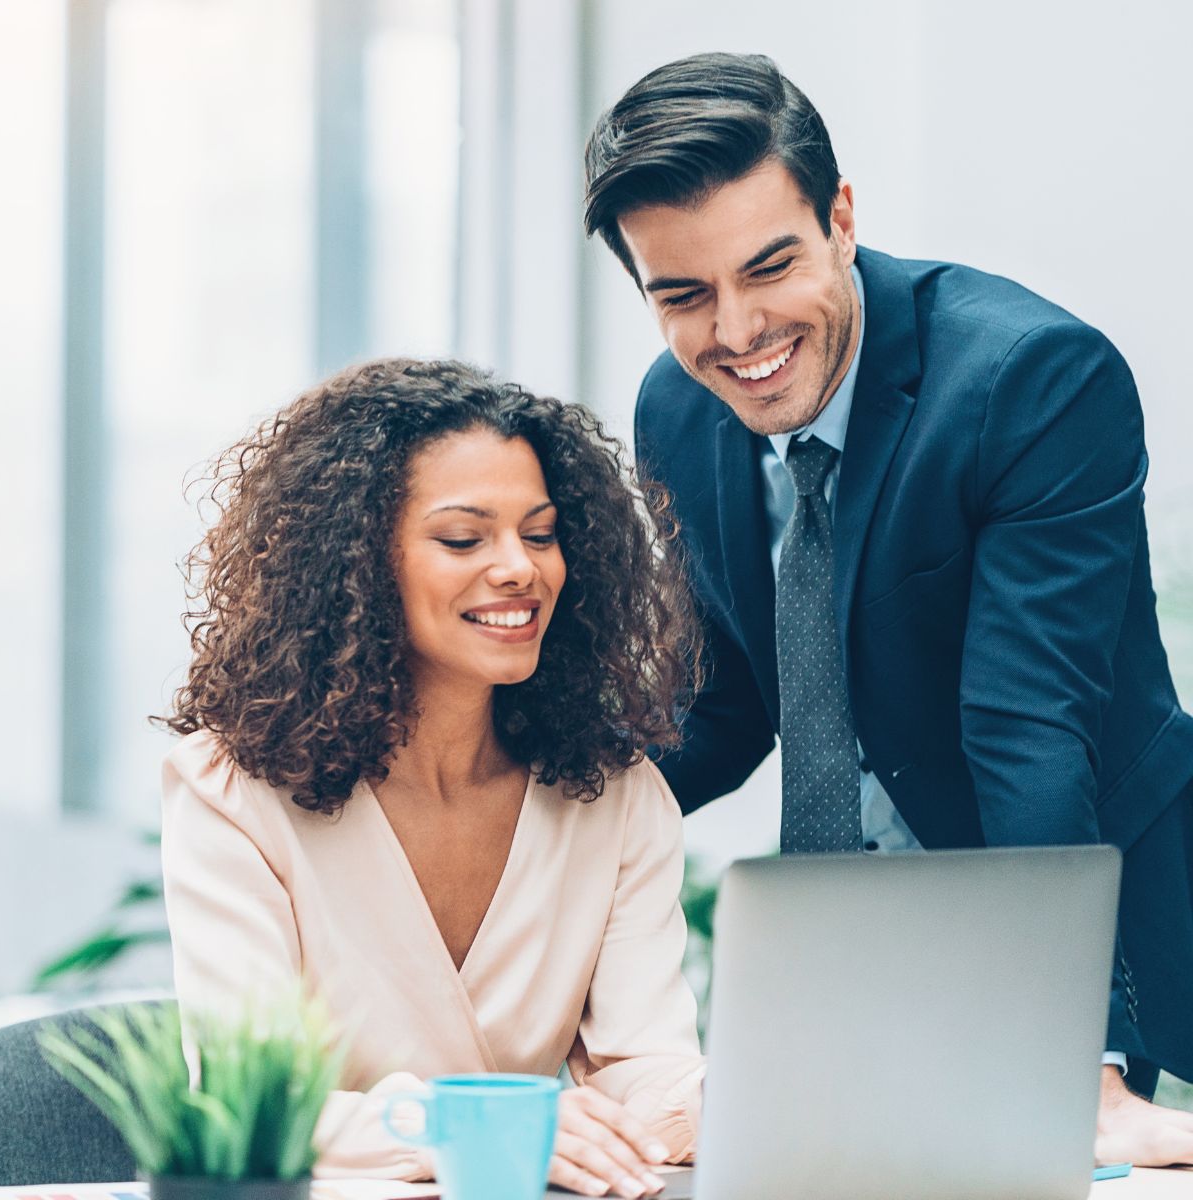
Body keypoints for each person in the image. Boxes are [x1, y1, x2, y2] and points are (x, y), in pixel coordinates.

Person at [583, 52, 1193, 1166]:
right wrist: (535, 825)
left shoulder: (1032, 381)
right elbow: (719, 702)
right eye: (682, 294)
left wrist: (1071, 1058)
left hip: (1065, 910)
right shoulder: (676, 407)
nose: (737, 330)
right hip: (840, 945)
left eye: (771, 267)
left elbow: (1027, 732)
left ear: (843, 219)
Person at [158, 358, 705, 1197]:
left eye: (542, 532)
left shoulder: (611, 793)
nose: (520, 568)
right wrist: (488, 1131)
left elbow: (645, 1071)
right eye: (463, 538)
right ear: (355, 561)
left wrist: (744, 1102)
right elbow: (256, 1102)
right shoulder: (231, 794)